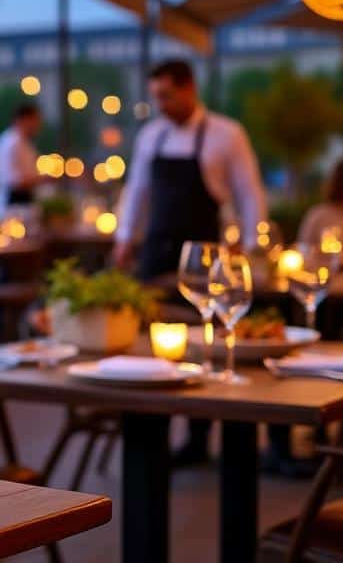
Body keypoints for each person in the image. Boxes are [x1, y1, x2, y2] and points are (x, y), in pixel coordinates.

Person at [111, 59, 267, 466]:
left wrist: (251, 247)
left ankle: (198, 437)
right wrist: (124, 238)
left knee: (204, 342)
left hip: (204, 255)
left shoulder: (226, 133)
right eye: (156, 95)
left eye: (166, 95)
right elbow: (137, 189)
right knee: (150, 340)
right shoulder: (152, 135)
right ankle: (154, 431)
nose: (160, 104)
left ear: (189, 88)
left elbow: (249, 192)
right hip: (156, 252)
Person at [0, 104, 42, 220]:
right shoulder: (11, 143)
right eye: (36, 120)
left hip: (20, 204)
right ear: (24, 119)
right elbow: (14, 181)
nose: (38, 125)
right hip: (10, 206)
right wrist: (45, 178)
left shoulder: (23, 142)